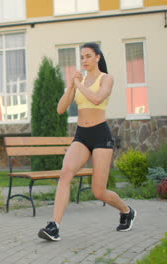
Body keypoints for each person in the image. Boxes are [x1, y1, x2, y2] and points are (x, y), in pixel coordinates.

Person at [38, 42, 136, 241]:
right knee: (65, 173)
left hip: (101, 135)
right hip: (82, 135)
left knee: (98, 191)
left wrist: (80, 84)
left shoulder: (106, 78)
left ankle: (126, 211)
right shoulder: (79, 81)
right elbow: (60, 109)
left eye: (88, 56)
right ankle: (54, 226)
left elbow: (98, 98)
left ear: (98, 57)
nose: (84, 60)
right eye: (82, 57)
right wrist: (71, 86)